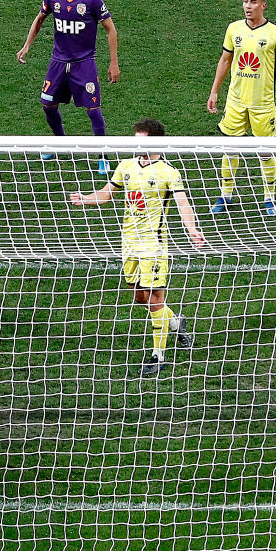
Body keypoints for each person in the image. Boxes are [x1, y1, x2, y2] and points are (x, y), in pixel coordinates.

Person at [69, 118, 206, 376]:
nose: (135, 144)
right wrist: (85, 199)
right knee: (140, 297)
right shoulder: (126, 166)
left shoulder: (168, 172)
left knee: (155, 298)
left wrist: (191, 229)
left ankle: (158, 355)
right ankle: (176, 323)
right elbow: (106, 193)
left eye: (140, 140)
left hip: (154, 245)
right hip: (129, 244)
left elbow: (182, 203)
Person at [16, 0, 119, 175]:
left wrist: (113, 63)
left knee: (93, 109)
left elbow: (111, 30)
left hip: (84, 63)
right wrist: (26, 46)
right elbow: (40, 18)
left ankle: (103, 156)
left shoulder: (92, 0)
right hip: (58, 62)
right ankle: (61, 143)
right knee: (48, 106)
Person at [207, 0, 276, 217]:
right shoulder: (233, 29)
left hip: (263, 105)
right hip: (236, 102)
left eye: (253, 2)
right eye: (245, 2)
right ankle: (225, 195)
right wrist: (214, 91)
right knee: (230, 149)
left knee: (266, 153)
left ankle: (269, 199)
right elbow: (225, 60)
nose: (248, 6)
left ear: (263, 5)